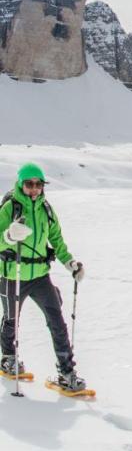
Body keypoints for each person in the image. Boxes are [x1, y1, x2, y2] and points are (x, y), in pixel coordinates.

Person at [0, 162, 87, 391]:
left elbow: (56, 239)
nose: (35, 188)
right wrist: (9, 236)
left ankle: (67, 372)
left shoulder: (46, 209)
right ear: (21, 184)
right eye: (30, 184)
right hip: (13, 274)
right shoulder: (10, 207)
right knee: (11, 319)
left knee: (57, 320)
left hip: (40, 275)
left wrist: (70, 263)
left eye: (39, 184)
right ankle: (8, 357)